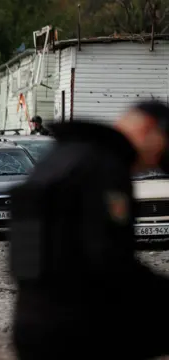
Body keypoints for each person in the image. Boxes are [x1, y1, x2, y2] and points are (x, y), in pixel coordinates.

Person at [9, 101, 169, 360]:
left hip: (33, 321)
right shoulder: (103, 167)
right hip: (79, 328)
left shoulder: (60, 158)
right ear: (149, 129)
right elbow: (108, 259)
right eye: (160, 155)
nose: (152, 166)